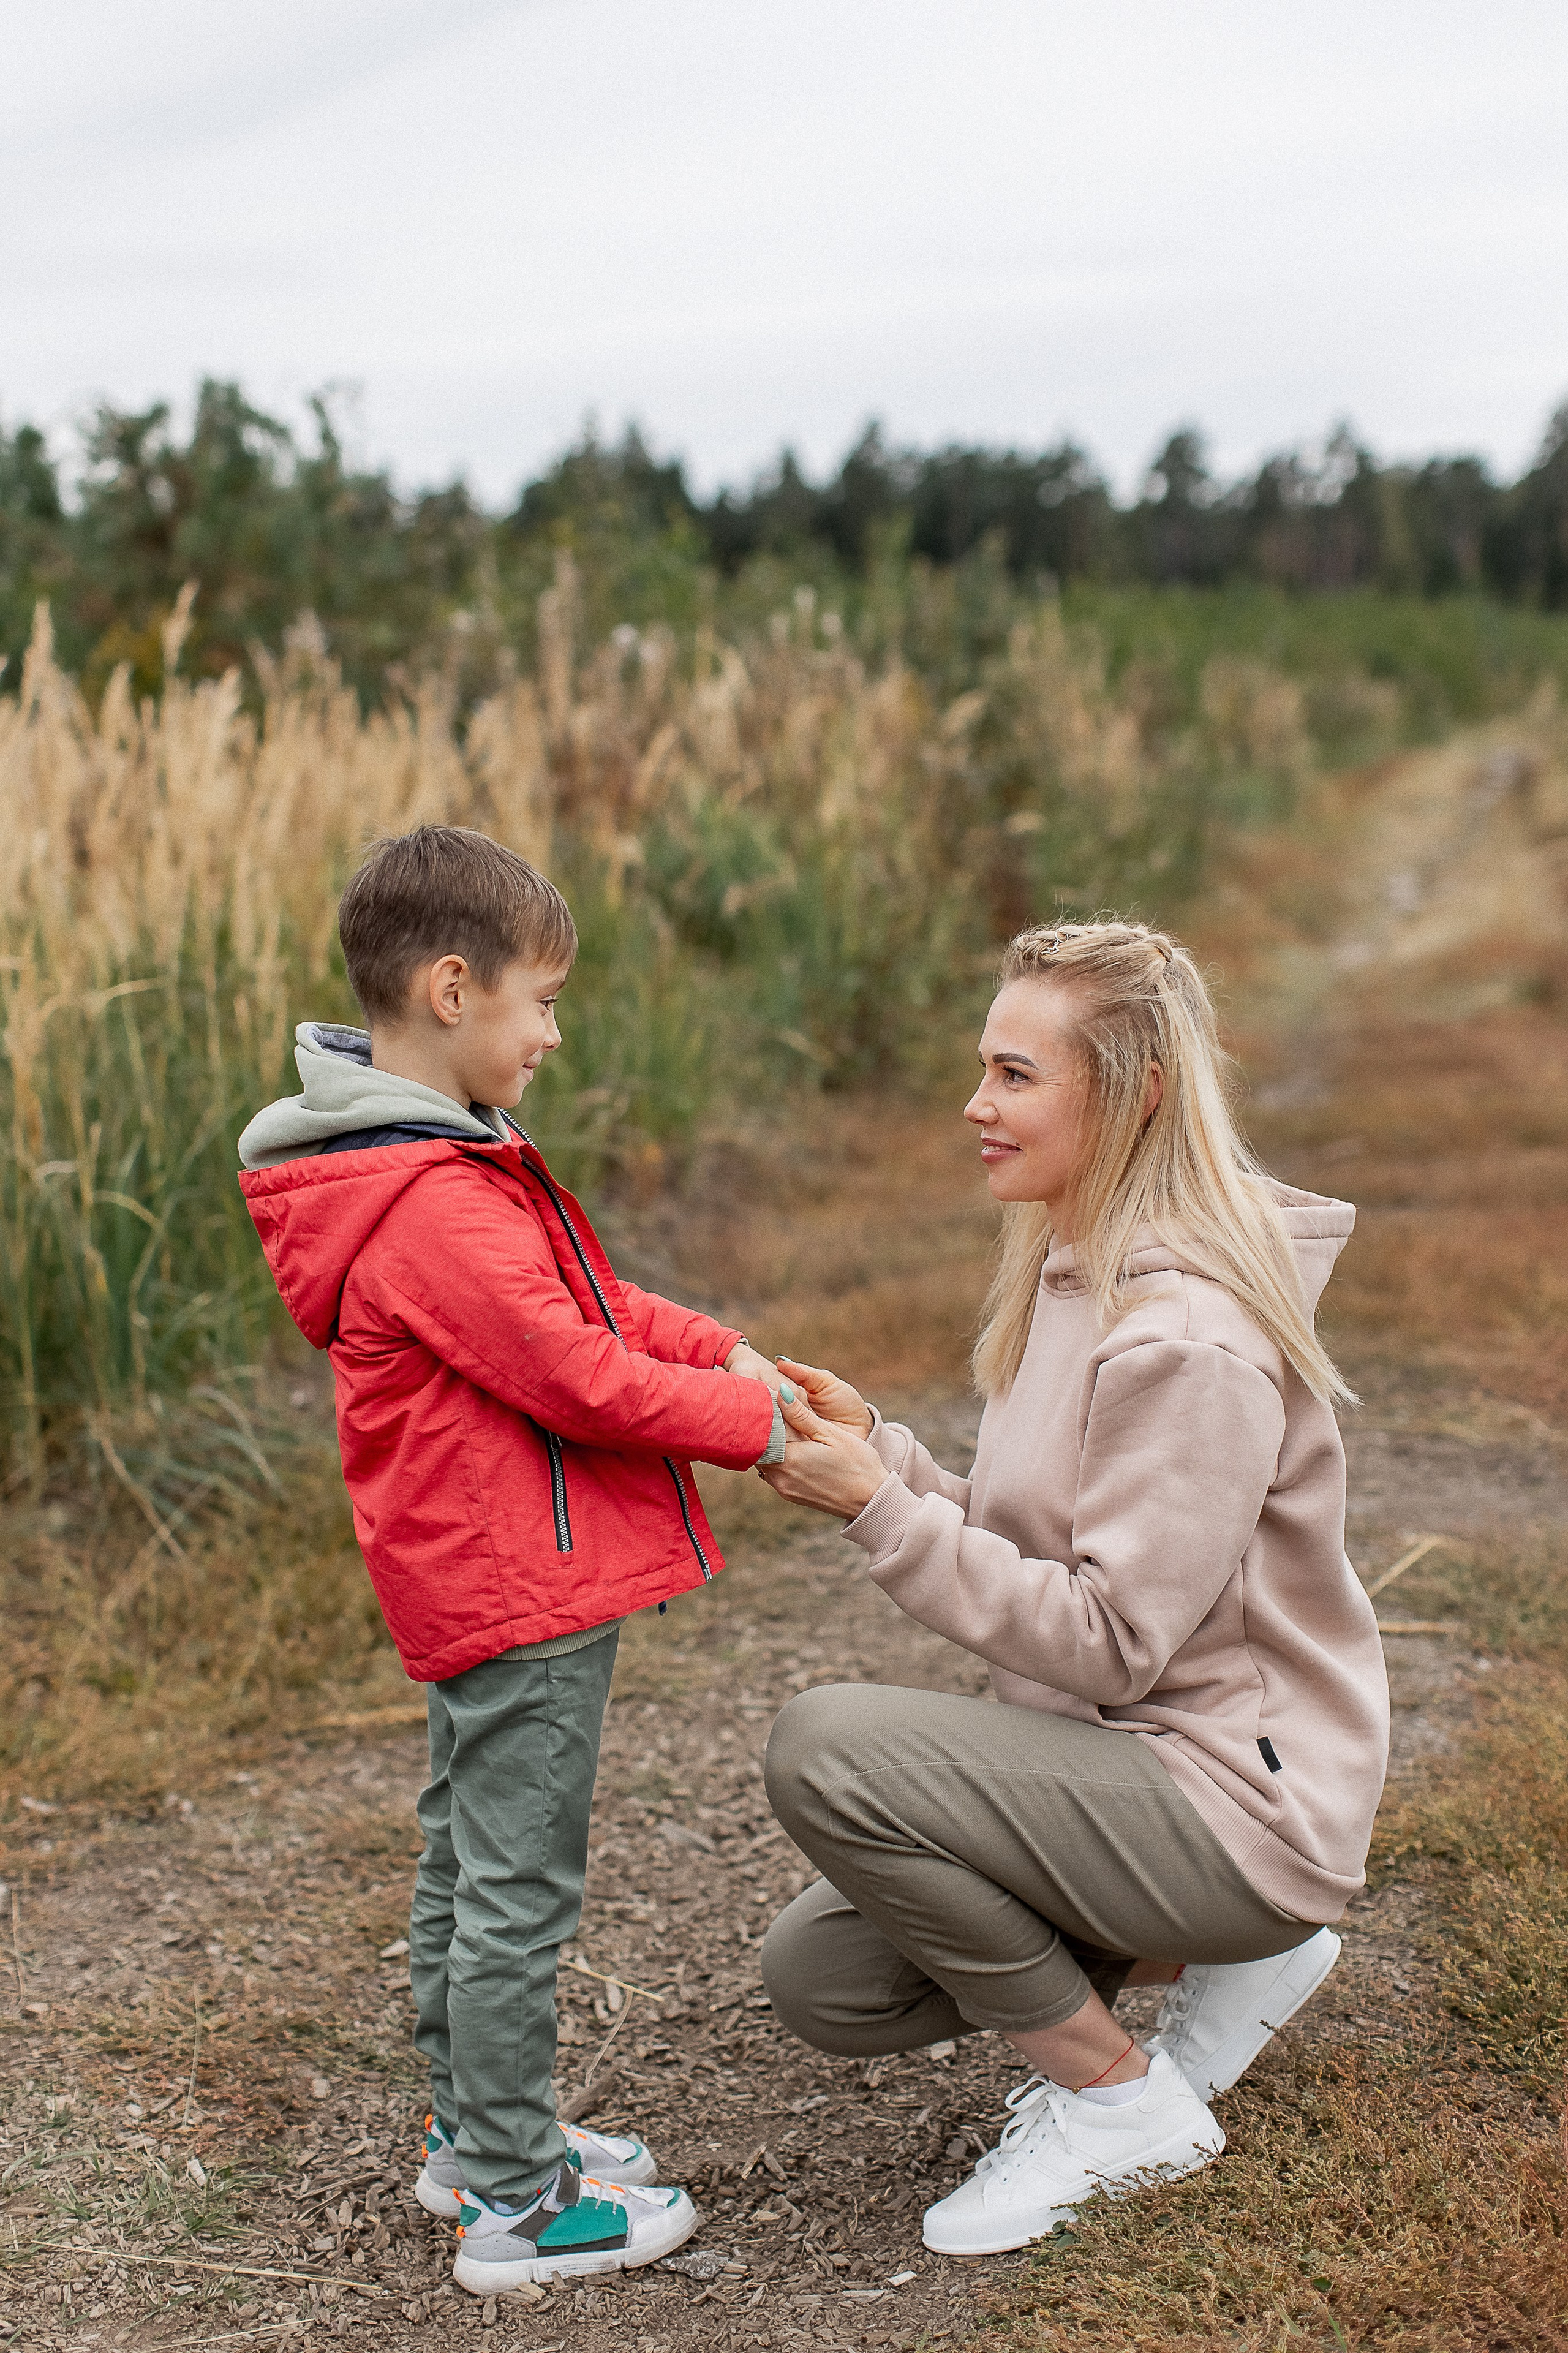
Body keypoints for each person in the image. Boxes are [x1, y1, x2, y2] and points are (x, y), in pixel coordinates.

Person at [756, 919, 1389, 2257]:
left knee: (828, 1747)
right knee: (826, 1977)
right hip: (1128, 1772)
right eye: (983, 1069)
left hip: (1234, 1800)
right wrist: (882, 1450)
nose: (973, 1105)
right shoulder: (1070, 1272)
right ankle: (1230, 1959)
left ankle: (1117, 2104)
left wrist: (875, 1513)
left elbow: (1107, 1635)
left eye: (1012, 1073)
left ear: (1133, 1088)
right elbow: (1038, 1535)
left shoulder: (1191, 1338)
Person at [238, 825, 791, 2294]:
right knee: (512, 1886)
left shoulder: (426, 1162)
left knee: (467, 1860)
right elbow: (575, 1374)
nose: (552, 1032)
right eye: (540, 1000)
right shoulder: (423, 1198)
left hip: (487, 1573)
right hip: (510, 1585)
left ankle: (473, 2134)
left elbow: (592, 1299)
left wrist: (736, 1356)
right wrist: (766, 1435)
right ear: (448, 986)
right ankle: (516, 2203)